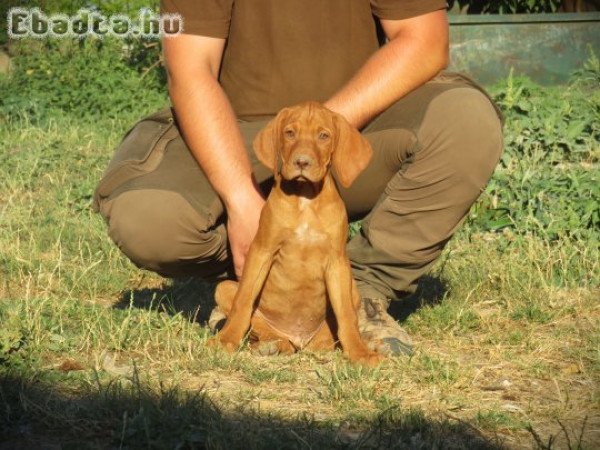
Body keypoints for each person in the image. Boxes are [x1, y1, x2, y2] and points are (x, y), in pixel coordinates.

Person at [93, 0, 503, 356]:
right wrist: (241, 198)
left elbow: (424, 40)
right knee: (147, 217)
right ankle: (252, 290)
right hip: (239, 129)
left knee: (464, 120)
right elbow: (191, 69)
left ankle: (362, 292)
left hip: (354, 124)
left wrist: (317, 137)